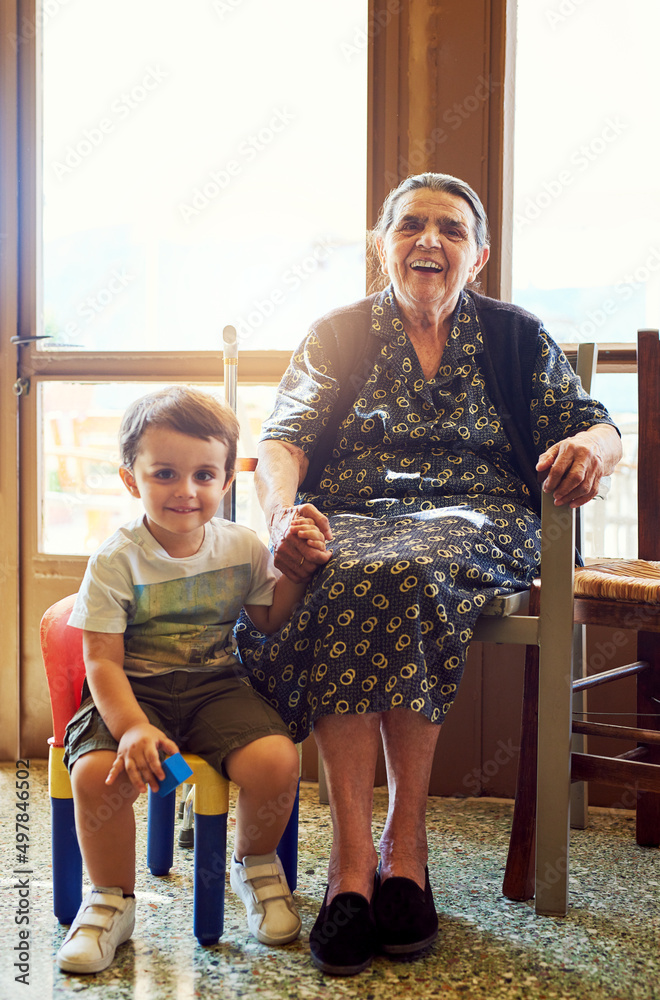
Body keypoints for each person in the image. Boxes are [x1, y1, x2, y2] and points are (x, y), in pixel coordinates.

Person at [236, 172, 622, 976]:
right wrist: (281, 519)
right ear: (383, 245)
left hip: (484, 519)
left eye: (451, 229)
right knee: (348, 568)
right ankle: (351, 866)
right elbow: (283, 440)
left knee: (401, 570)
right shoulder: (339, 333)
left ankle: (402, 847)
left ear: (477, 257)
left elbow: (596, 424)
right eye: (411, 225)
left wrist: (594, 450)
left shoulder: (515, 337)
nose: (430, 241)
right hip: (356, 514)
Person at [56, 385, 324, 975]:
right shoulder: (116, 558)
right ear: (132, 480)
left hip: (215, 690)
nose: (186, 491)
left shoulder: (244, 547)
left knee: (277, 759)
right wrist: (128, 730)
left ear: (227, 481)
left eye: (205, 474)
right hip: (131, 694)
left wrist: (297, 571)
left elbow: (268, 618)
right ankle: (110, 900)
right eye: (166, 474)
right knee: (100, 777)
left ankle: (253, 866)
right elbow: (101, 660)